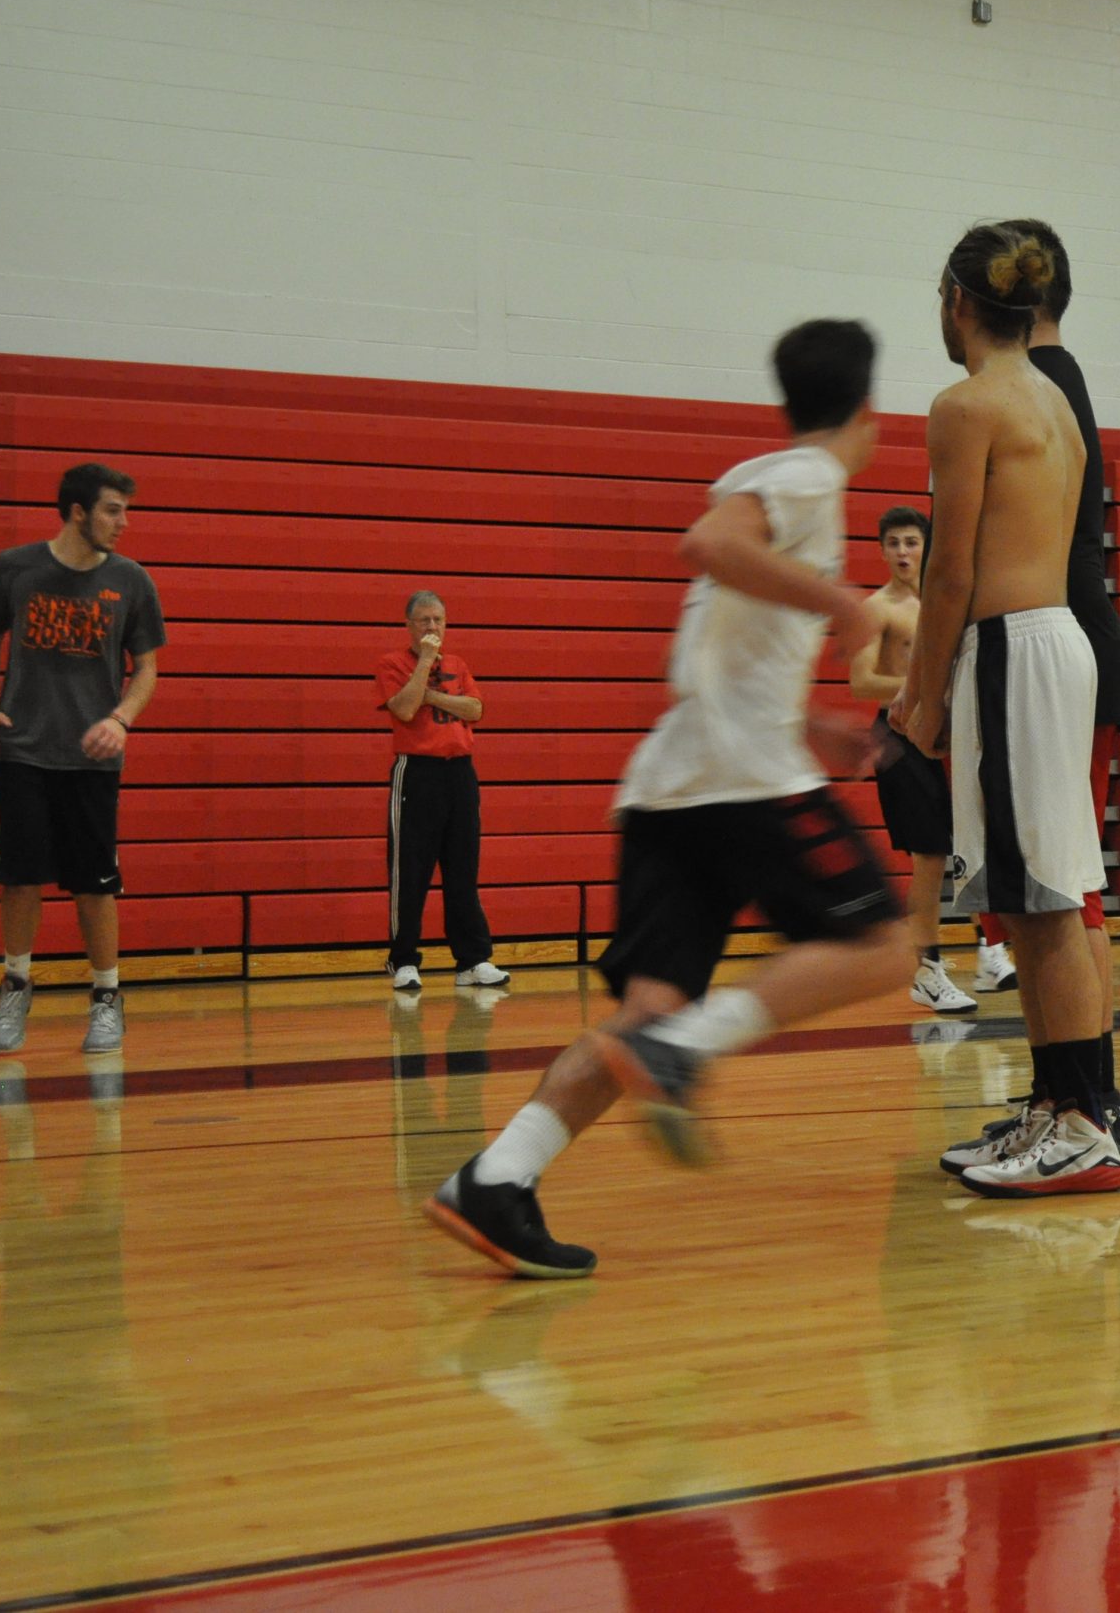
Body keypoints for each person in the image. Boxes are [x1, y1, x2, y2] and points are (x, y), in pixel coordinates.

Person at [425, 319, 916, 1278]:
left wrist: (809, 725)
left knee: (644, 1012)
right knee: (885, 944)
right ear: (869, 411)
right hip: (738, 780)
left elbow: (691, 649)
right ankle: (691, 1049)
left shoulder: (760, 473)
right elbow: (707, 544)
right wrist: (845, 605)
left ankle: (497, 1178)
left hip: (672, 782)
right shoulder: (812, 479)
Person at [894, 221, 1120, 1199]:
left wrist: (917, 697)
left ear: (957, 301)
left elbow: (948, 572)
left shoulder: (965, 403)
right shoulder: (1055, 401)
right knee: (1041, 897)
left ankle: (1081, 1124)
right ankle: (1061, 1100)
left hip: (1010, 650)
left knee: (1040, 901)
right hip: (1051, 643)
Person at [0, 462, 166, 1056]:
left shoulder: (133, 582)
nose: (124, 522)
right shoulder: (13, 568)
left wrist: (120, 718)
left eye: (126, 510)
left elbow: (147, 667)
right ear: (78, 512)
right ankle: (15, 983)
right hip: (21, 750)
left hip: (92, 760)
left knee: (94, 884)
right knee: (20, 876)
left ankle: (106, 999)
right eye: (113, 510)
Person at [853, 504, 1007, 1015]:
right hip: (900, 737)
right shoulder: (877, 609)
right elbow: (861, 681)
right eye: (893, 543)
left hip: (949, 733)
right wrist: (926, 686)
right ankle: (927, 969)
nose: (902, 551)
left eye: (911, 542)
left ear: (927, 547)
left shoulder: (948, 607)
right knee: (930, 855)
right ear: (881, 550)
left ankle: (989, 950)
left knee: (972, 843)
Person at [376, 590, 507, 991]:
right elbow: (403, 708)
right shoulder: (392, 664)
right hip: (417, 774)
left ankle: (472, 960)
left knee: (463, 870)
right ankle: (404, 962)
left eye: (438, 620)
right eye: (424, 621)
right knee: (410, 872)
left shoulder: (460, 664)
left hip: (460, 774)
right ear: (409, 625)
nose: (432, 628)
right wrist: (427, 667)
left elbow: (477, 710)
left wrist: (432, 697)